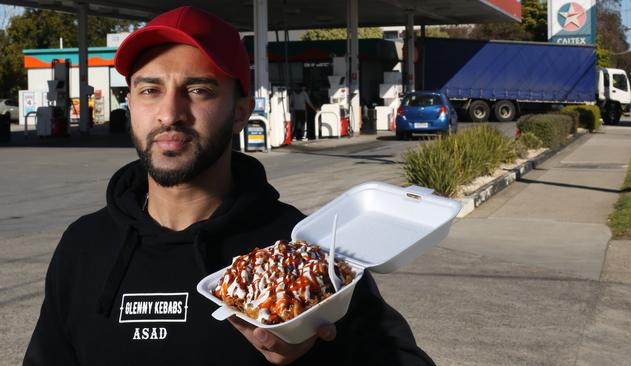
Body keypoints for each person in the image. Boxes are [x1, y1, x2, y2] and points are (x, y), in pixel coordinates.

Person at [23, 6, 435, 366]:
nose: (170, 113)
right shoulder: (84, 247)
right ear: (130, 103)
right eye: (150, 90)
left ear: (241, 111)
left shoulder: (302, 255)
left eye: (198, 90)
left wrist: (316, 353)